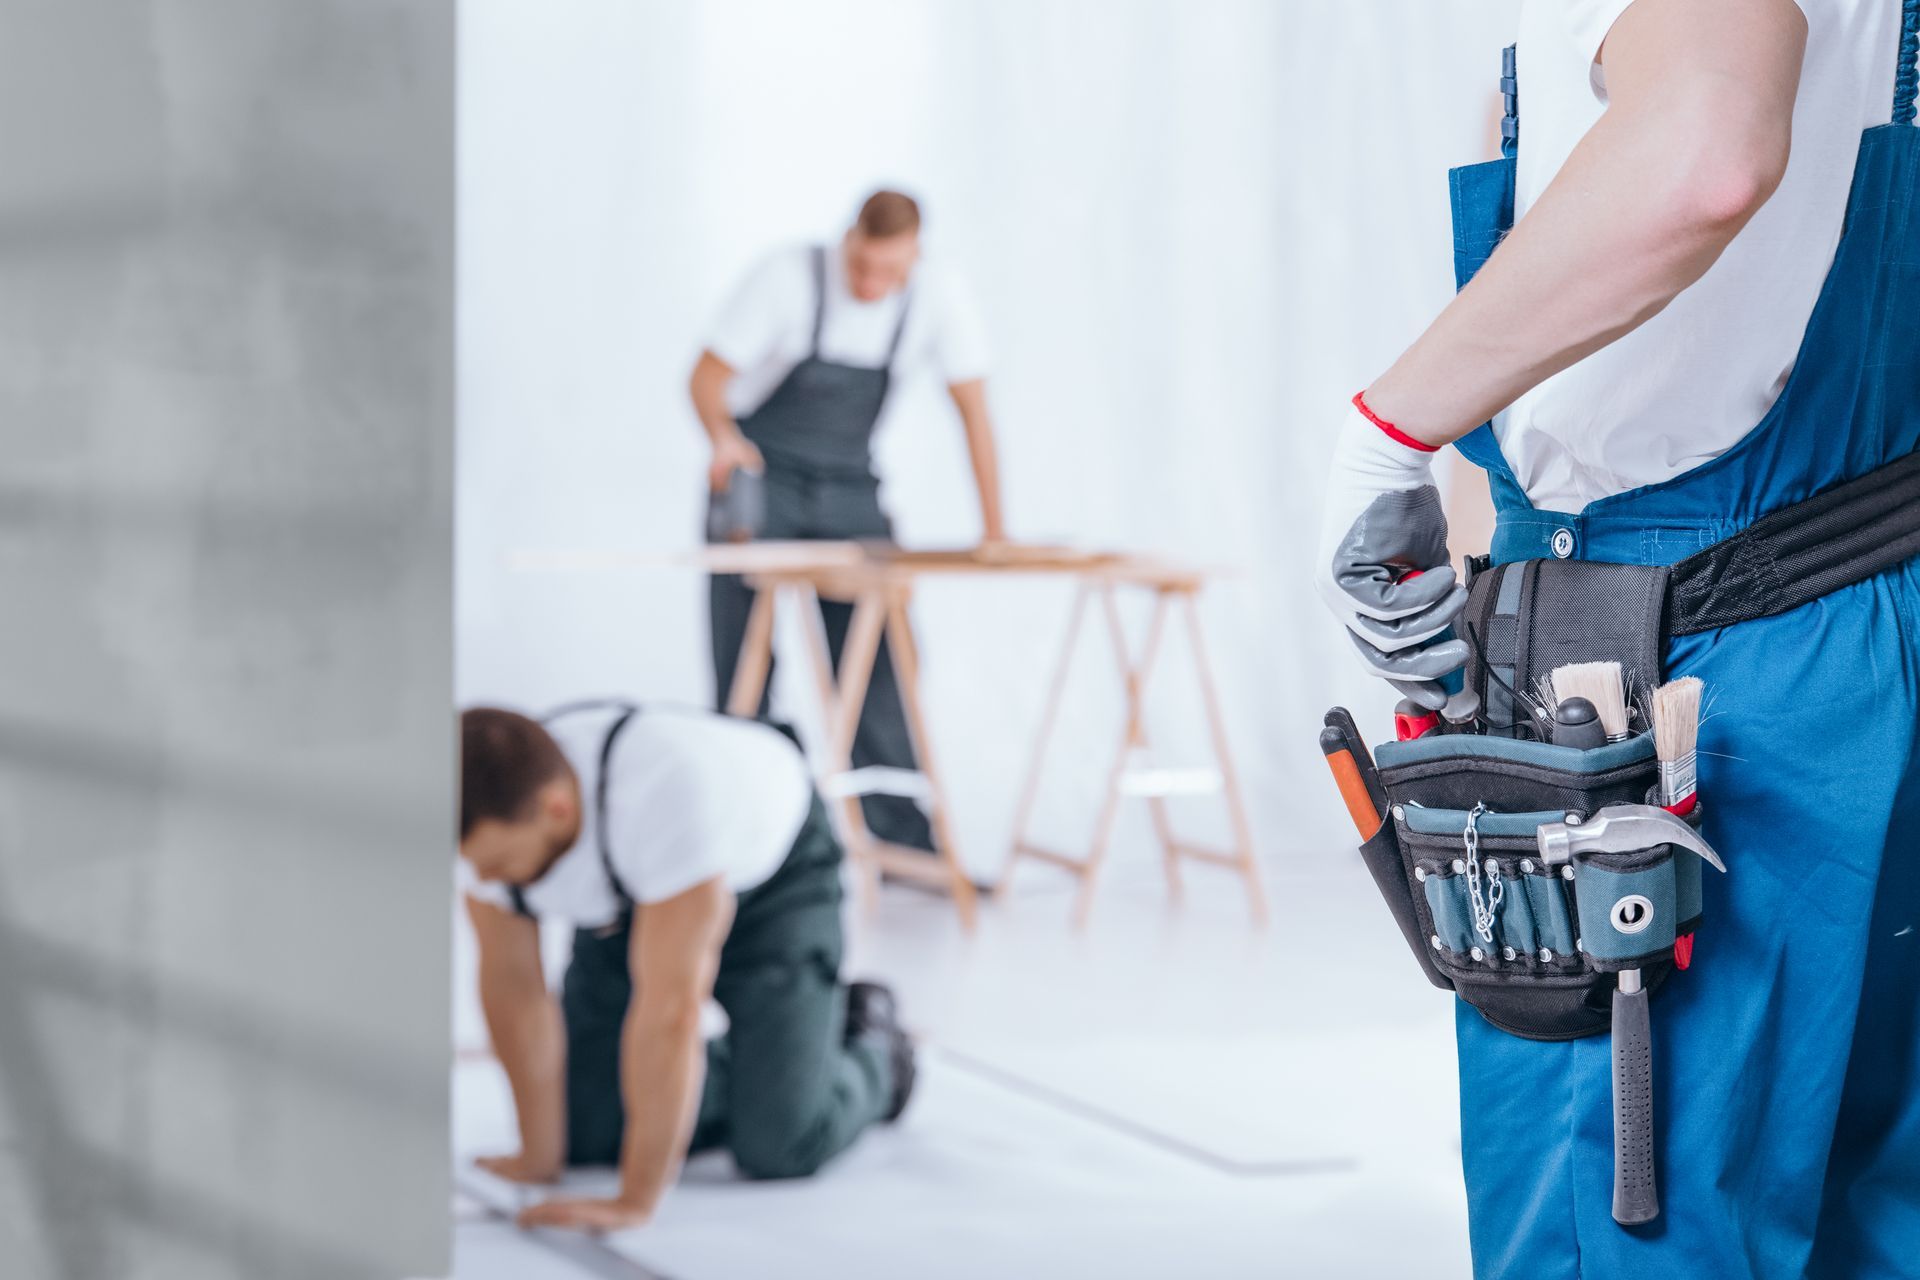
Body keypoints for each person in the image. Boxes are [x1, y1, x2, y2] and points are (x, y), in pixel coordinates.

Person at [1315, 0, 1919, 1275]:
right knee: (1866, 1216)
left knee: (1628, 1229)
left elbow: (1701, 153)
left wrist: (1390, 429)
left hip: (1686, 671)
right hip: (1868, 613)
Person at [458, 701, 916, 1233]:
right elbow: (514, 991)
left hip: (775, 887)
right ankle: (763, 1067)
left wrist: (635, 1200)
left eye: (498, 864)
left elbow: (671, 1013)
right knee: (584, 1126)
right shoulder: (483, 823)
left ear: (556, 809)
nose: (484, 877)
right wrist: (536, 1160)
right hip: (633, 901)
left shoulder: (666, 796)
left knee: (780, 1140)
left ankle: (876, 1048)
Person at [690, 189, 1005, 855]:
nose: (870, 284)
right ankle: (748, 842)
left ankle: (904, 844)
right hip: (760, 474)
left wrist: (995, 530)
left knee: (884, 657)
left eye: (888, 273)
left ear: (916, 258)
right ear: (848, 239)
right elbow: (706, 378)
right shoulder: (787, 278)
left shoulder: (937, 298)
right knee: (742, 660)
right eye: (861, 266)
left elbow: (974, 411)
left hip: (848, 486)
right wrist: (722, 437)